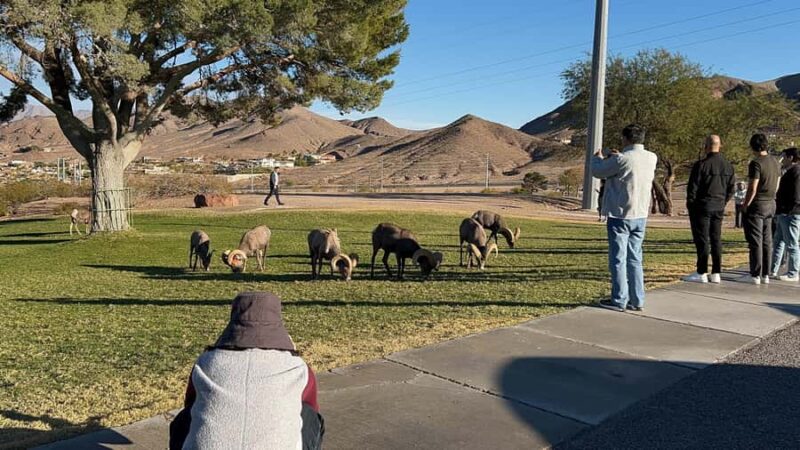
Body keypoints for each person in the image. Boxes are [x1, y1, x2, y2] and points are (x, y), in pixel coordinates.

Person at [169, 292, 324, 450]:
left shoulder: (206, 362)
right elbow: (312, 407)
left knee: (186, 415)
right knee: (309, 415)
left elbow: (191, 402)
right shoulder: (298, 369)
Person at [592, 124, 658, 312]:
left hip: (620, 214)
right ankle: (638, 299)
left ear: (626, 138)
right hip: (640, 214)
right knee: (635, 257)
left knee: (618, 258)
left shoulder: (622, 159)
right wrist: (615, 156)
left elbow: (598, 171)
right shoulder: (652, 157)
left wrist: (597, 158)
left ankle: (619, 299)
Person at [683, 135, 735, 284]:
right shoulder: (728, 165)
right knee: (716, 238)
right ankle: (716, 272)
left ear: (706, 146)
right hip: (719, 206)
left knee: (702, 239)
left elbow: (692, 188)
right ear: (721, 145)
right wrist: (723, 201)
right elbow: (731, 188)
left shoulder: (701, 165)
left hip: (702, 206)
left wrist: (691, 206)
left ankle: (702, 271)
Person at [741, 133, 781, 285]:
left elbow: (753, 187)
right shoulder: (775, 161)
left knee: (755, 241)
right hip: (771, 203)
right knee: (767, 240)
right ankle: (766, 274)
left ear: (753, 146)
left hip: (757, 204)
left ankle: (755, 274)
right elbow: (777, 184)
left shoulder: (756, 163)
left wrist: (746, 204)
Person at [770, 147, 800, 281]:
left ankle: (793, 273)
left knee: (792, 244)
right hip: (783, 213)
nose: (782, 159)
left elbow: (796, 195)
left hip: (790, 213)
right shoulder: (788, 172)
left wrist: (788, 210)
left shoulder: (796, 172)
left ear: (791, 157)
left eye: (784, 156)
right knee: (778, 242)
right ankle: (773, 270)